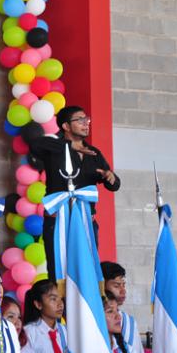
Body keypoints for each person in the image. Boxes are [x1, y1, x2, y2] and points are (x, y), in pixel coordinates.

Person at [27, 106, 120, 279]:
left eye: (87, 120)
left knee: (86, 271)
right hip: (58, 221)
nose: (86, 123)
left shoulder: (93, 153)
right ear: (66, 126)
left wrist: (110, 177)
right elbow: (35, 145)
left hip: (85, 221)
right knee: (58, 271)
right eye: (80, 120)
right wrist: (71, 148)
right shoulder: (54, 148)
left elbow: (114, 185)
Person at [101, 261, 149, 353]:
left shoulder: (129, 322)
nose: (123, 291)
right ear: (102, 286)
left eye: (124, 285)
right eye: (117, 286)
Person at [21, 279, 65, 353]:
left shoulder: (65, 331)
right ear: (38, 304)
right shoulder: (28, 333)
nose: (60, 304)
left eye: (60, 298)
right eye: (53, 299)